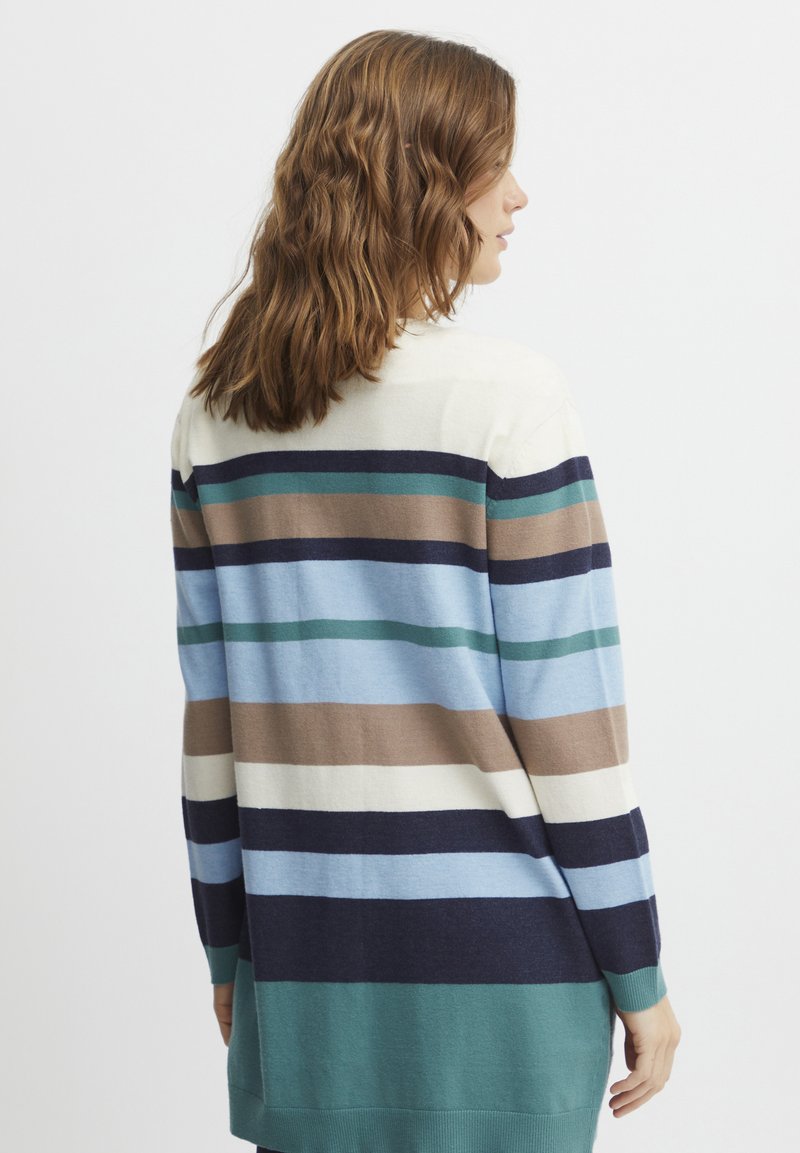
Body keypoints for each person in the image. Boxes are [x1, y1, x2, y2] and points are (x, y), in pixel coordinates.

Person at [169, 28, 681, 1153]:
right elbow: (570, 730)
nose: (518, 197)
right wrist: (638, 972)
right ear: (425, 184)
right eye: (495, 166)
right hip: (508, 975)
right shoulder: (508, 400)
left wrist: (229, 950)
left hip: (304, 975)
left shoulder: (216, 419)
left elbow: (213, 733)